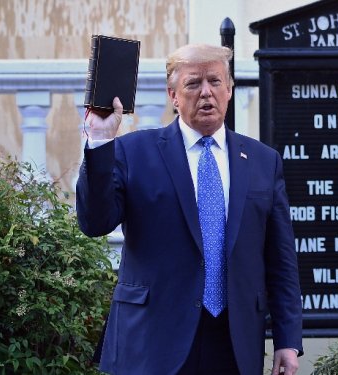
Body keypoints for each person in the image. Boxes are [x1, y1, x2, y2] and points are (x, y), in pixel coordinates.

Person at [76, 43, 303, 375]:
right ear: (173, 96)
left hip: (234, 340)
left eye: (214, 81)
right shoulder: (133, 151)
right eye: (193, 84)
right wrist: (99, 141)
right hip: (152, 340)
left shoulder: (263, 162)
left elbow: (281, 260)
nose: (206, 92)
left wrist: (287, 339)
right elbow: (95, 222)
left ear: (229, 89)